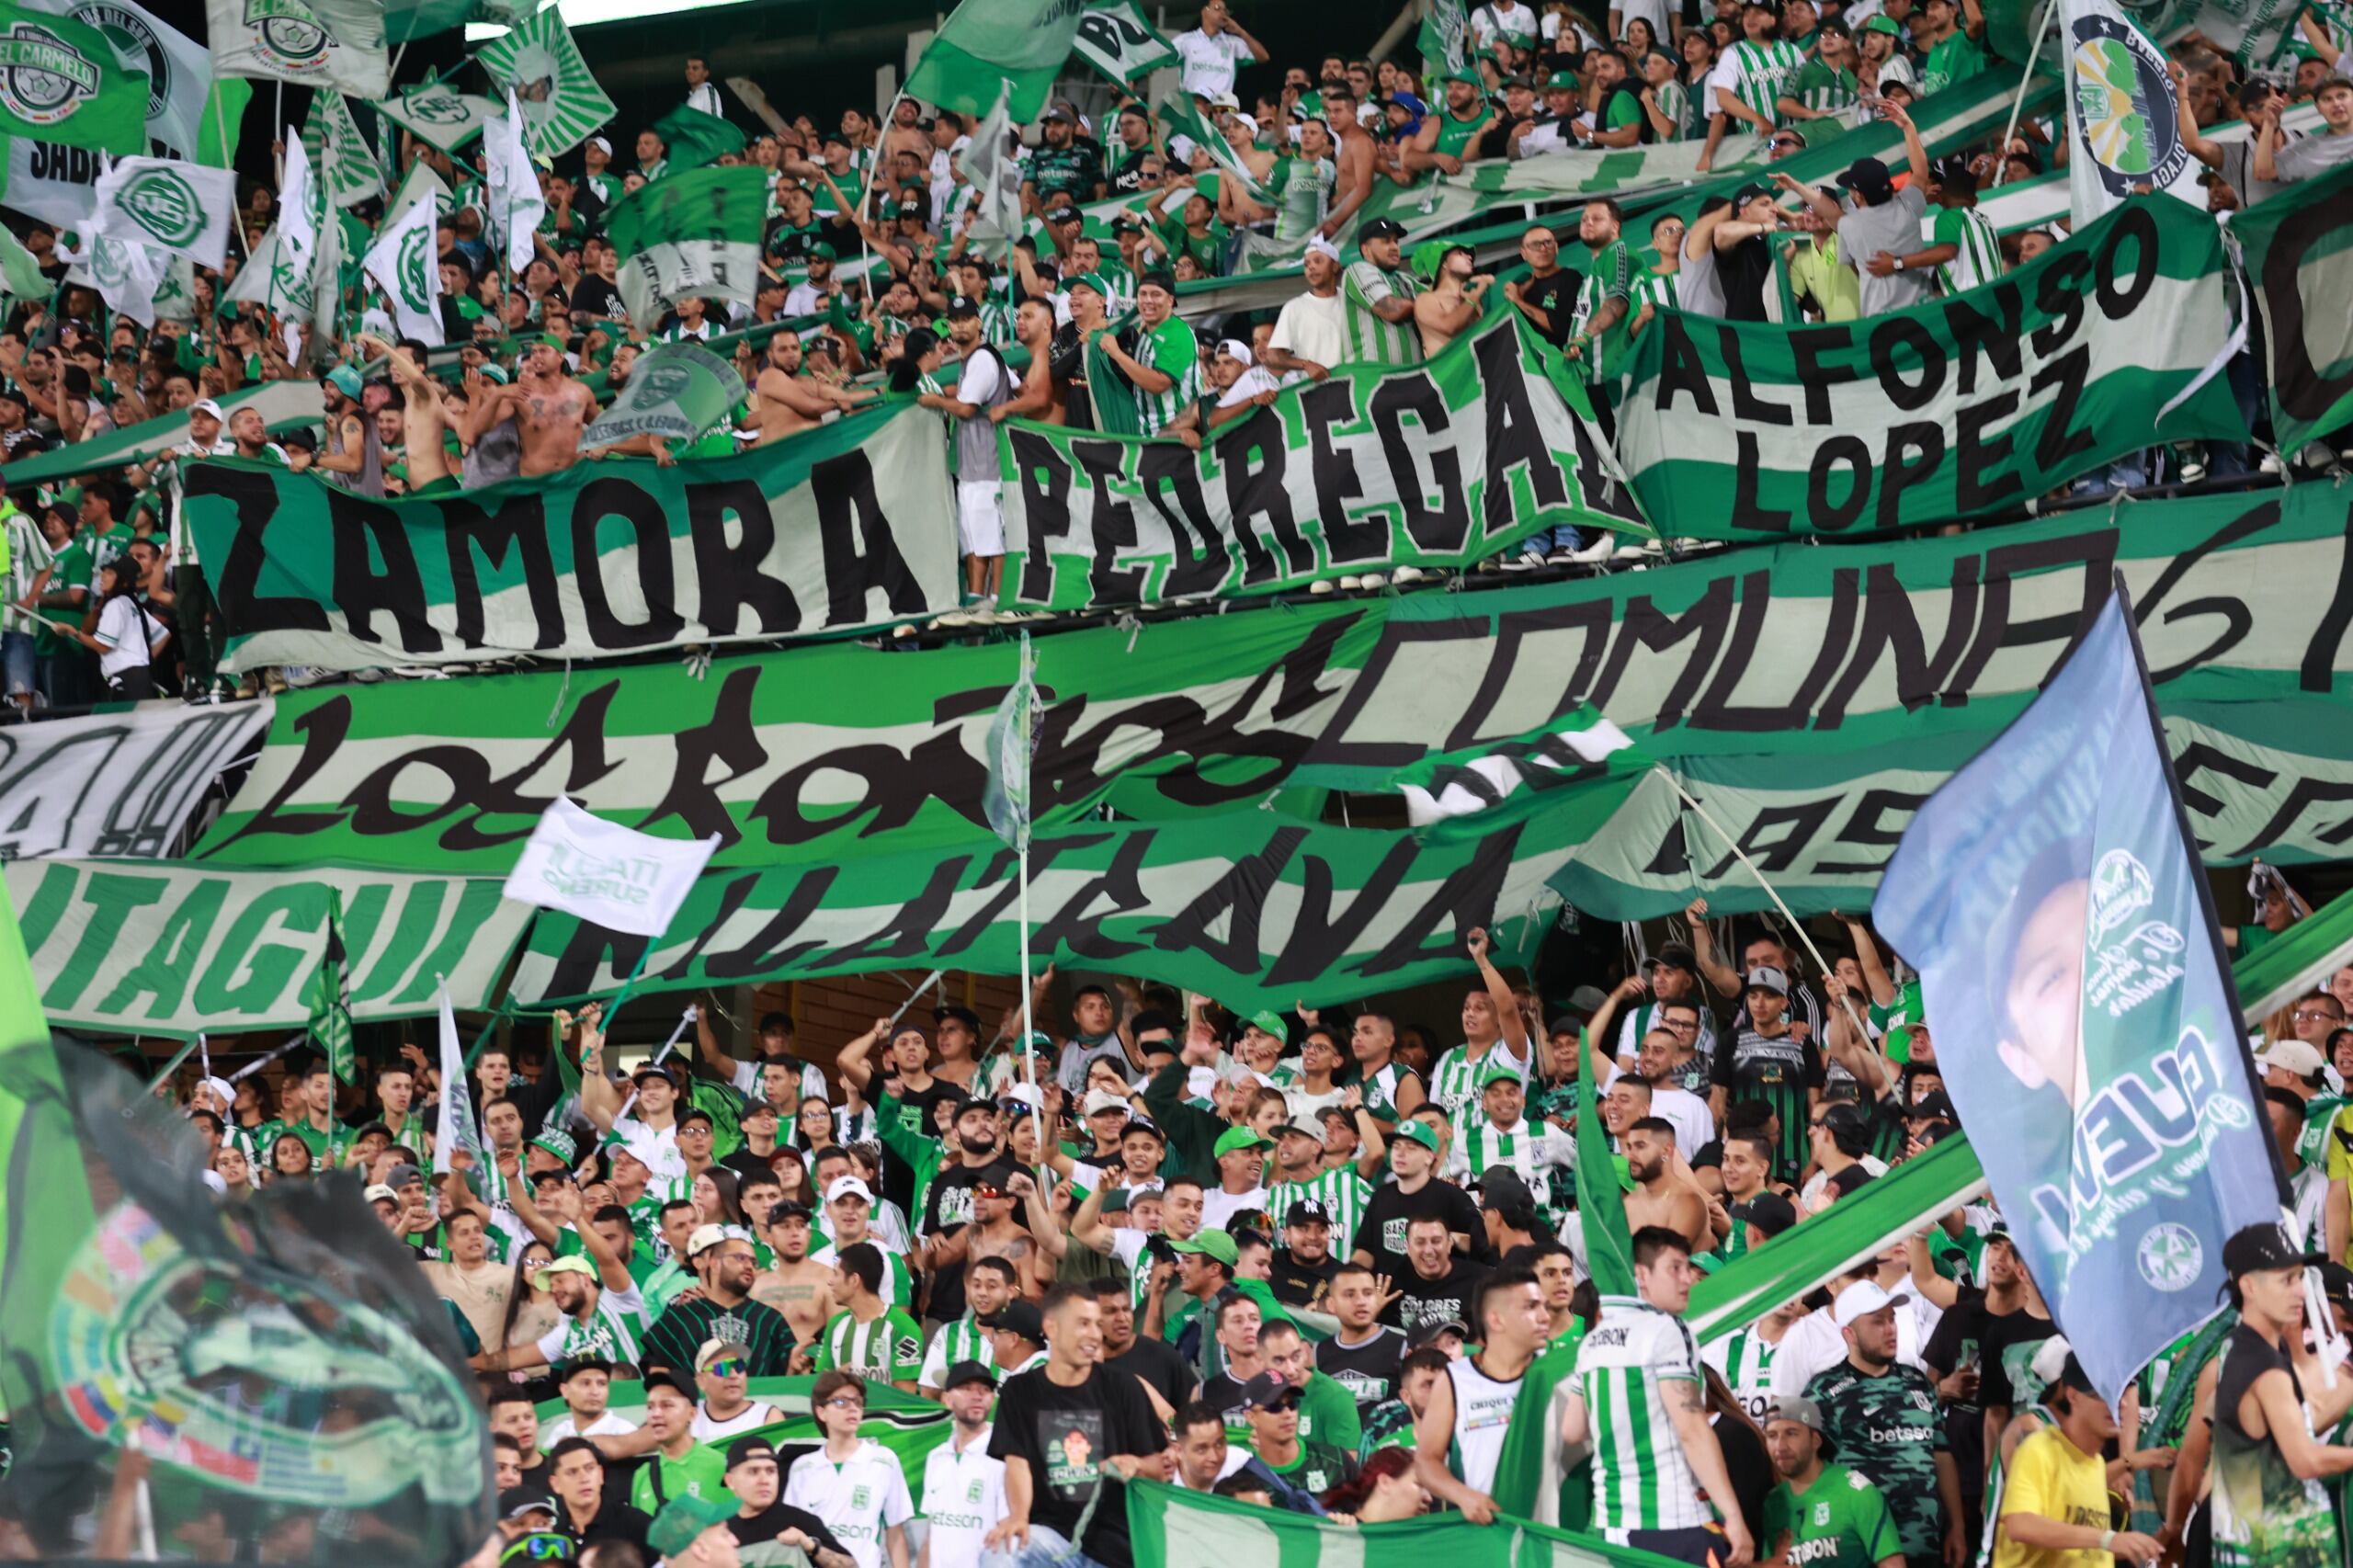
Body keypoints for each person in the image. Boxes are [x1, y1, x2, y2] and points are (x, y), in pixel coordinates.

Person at [1562, 1229, 1756, 1565]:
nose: (1687, 1279)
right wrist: (1733, 1516)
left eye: (1688, 1269)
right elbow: (1692, 1428)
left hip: (1609, 1525)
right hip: (1671, 1522)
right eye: (1675, 1268)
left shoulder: (1592, 1343)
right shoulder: (1669, 1329)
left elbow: (1572, 1431)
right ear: (1641, 1275)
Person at [986, 1282, 1172, 1568]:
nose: (1095, 1335)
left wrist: (1136, 1464)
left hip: (1118, 1547)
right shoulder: (1019, 1391)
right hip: (1052, 1539)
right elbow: (1017, 1464)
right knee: (1002, 1553)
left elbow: (1160, 1467)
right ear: (1052, 1327)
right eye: (1083, 1324)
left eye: (1098, 1325)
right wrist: (1019, 1517)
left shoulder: (1123, 1387)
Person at [2204, 1223, 2353, 1567]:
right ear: (2249, 1287)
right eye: (2287, 1280)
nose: (2301, 1292)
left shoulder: (2239, 1350)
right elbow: (2305, 1460)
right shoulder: (2264, 1369)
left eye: (2301, 1278)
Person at [1804, 1281, 1962, 1568]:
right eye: (1878, 1322)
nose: (1890, 1329)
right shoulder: (1823, 1392)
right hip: (1860, 1550)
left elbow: (1941, 1456)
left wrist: (1957, 1527)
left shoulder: (1917, 1381)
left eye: (1892, 1318)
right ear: (1849, 1334)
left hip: (1925, 1545)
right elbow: (1807, 1473)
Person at [1410, 1267, 1549, 1523]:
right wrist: (1462, 1495)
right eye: (1531, 1307)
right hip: (1483, 1532)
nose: (1544, 1316)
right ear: (1496, 1319)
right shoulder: (1455, 1379)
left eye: (1544, 1306)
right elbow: (1426, 1461)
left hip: (1549, 1531)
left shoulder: (1555, 1373)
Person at [786, 1370, 915, 1568]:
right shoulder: (802, 1468)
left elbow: (896, 1535)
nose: (852, 1408)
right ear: (821, 1412)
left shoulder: (884, 1460)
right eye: (841, 1402)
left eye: (857, 1402)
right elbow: (794, 1536)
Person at [1762, 1396, 1905, 1568]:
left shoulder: (1855, 1491)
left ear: (1816, 1440)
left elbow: (1893, 1564)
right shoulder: (1773, 1503)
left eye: (1791, 1433)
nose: (1780, 1446)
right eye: (1771, 1436)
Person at [921, 1360, 1008, 1568]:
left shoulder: (1004, 1455)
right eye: (966, 1388)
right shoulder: (936, 1457)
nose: (977, 1396)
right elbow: (932, 1534)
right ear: (947, 1399)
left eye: (985, 1390)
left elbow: (1008, 1530)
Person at [722, 1437, 858, 1568]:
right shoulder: (720, 1531)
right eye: (753, 1471)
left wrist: (812, 1547)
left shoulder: (801, 1521)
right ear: (730, 1481)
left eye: (771, 1471)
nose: (764, 1480)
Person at [1340, 218, 1424, 367]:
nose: (1394, 247)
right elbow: (1393, 309)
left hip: (1409, 380)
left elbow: (1441, 299)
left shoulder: (1406, 280)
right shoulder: (1359, 270)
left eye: (1396, 242)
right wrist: (1429, 304)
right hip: (1372, 381)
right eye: (1386, 241)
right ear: (1366, 249)